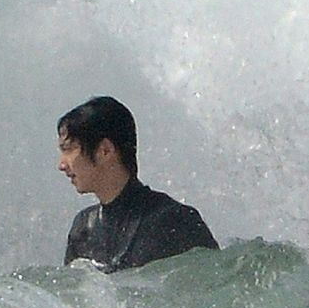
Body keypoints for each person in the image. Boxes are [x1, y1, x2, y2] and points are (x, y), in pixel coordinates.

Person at [57, 96, 219, 272]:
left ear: (105, 150)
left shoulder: (174, 220)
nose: (62, 165)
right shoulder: (83, 228)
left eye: (68, 149)